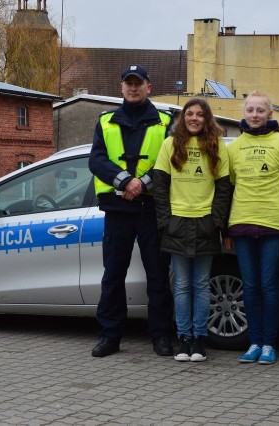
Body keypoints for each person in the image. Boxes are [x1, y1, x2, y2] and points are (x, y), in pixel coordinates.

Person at [89, 65, 174, 358]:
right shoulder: (106, 121)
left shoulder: (166, 121)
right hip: (118, 208)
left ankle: (161, 335)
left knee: (158, 275)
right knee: (113, 274)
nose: (133, 88)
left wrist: (142, 184)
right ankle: (110, 335)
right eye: (128, 83)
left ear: (149, 86)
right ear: (121, 87)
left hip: (151, 208)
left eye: (139, 83)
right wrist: (125, 180)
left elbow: (172, 159)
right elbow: (97, 160)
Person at [225, 91, 279, 365]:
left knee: (269, 286)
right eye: (250, 110)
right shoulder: (233, 148)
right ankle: (253, 342)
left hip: (274, 224)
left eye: (260, 110)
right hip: (242, 223)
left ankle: (269, 344)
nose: (255, 115)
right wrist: (225, 230)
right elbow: (228, 189)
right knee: (249, 286)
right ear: (244, 114)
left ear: (270, 114)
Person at [153, 98, 232, 362]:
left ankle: (199, 339)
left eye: (200, 114)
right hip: (178, 223)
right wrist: (166, 221)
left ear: (207, 118)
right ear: (183, 118)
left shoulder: (217, 145)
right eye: (190, 114)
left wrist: (215, 221)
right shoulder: (170, 144)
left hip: (205, 223)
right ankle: (183, 339)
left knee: (201, 284)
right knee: (182, 284)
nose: (194, 118)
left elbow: (223, 189)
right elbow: (160, 187)